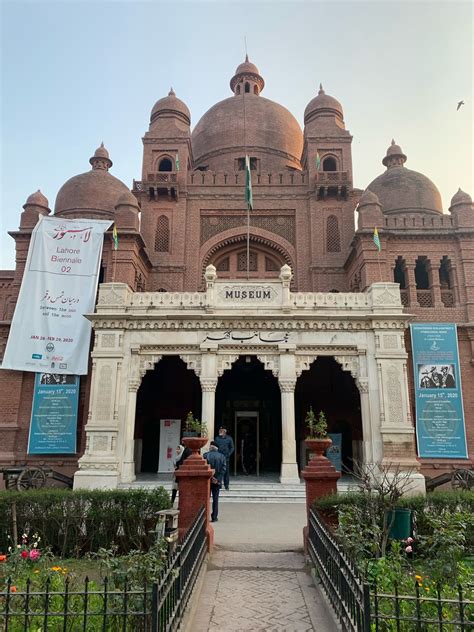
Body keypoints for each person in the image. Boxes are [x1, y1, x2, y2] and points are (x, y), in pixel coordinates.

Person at [204, 441, 226, 522]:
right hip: (217, 482)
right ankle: (214, 517)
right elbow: (224, 469)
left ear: (211, 447)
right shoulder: (222, 456)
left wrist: (211, 477)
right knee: (215, 500)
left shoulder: (205, 455)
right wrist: (217, 479)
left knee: (206, 499)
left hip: (207, 480)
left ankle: (205, 516)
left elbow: (204, 468)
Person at [214, 426, 234, 490]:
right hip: (218, 458)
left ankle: (226, 485)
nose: (220, 431)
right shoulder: (217, 438)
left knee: (226, 472)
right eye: (220, 430)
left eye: (221, 430)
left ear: (225, 431)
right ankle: (219, 483)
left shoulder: (229, 438)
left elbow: (232, 448)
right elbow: (215, 447)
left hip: (226, 458)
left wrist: (228, 454)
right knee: (218, 471)